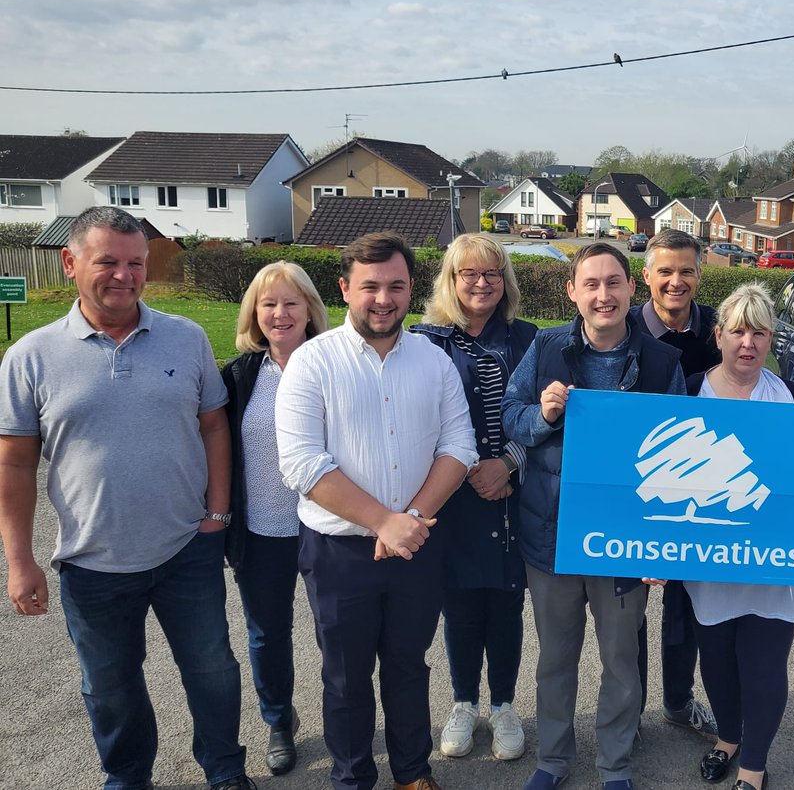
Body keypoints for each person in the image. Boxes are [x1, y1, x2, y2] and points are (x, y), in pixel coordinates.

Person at [0, 205, 252, 790]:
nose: (124, 274)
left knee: (213, 670)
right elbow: (13, 465)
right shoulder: (31, 357)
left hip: (186, 547)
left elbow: (214, 425)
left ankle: (224, 770)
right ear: (70, 262)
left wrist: (217, 513)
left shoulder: (185, 338)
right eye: (107, 261)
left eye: (135, 263)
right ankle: (128, 776)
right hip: (92, 560)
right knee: (109, 687)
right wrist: (19, 562)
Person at [275, 232, 477, 790]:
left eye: (396, 286)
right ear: (344, 289)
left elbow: (459, 448)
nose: (383, 299)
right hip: (339, 552)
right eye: (370, 287)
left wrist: (407, 520)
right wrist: (382, 521)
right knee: (346, 678)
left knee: (409, 668)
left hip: (415, 545)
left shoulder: (434, 363)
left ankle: (412, 774)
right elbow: (302, 464)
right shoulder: (311, 363)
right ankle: (352, 777)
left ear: (412, 290)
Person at [501, 242, 686, 790]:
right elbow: (511, 416)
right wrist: (544, 414)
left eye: (613, 283)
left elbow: (679, 458)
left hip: (625, 540)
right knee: (555, 659)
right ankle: (553, 761)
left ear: (632, 289)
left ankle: (614, 765)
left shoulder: (661, 362)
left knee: (620, 662)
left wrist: (661, 543)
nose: (603, 294)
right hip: (553, 535)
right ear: (572, 292)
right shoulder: (546, 347)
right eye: (591, 284)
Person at [683, 283, 794, 790]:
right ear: (719, 335)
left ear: (772, 339)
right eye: (737, 331)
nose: (747, 342)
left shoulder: (792, 397)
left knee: (765, 662)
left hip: (774, 561)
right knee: (717, 658)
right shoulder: (687, 390)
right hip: (710, 556)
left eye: (759, 332)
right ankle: (727, 737)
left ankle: (753, 763)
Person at [410, 234, 537, 763]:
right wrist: (460, 472)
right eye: (469, 274)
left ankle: (504, 705)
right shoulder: (423, 340)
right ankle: (463, 703)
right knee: (459, 606)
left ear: (503, 280)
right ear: (451, 280)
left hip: (510, 493)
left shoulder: (531, 339)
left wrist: (509, 464)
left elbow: (545, 418)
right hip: (450, 495)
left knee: (505, 605)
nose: (481, 283)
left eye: (490, 274)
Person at [221, 261, 329, 776]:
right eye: (269, 304)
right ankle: (279, 721)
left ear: (310, 309)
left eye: (291, 302)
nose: (280, 313)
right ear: (254, 314)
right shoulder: (240, 376)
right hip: (262, 532)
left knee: (337, 630)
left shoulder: (333, 365)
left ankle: (343, 716)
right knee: (267, 635)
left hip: (327, 528)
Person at [630, 229, 721, 739]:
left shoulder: (718, 329)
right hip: (643, 484)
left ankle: (679, 701)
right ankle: (634, 711)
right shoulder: (623, 331)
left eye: (686, 270)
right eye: (665, 270)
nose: (676, 281)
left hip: (705, 484)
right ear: (647, 275)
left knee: (685, 605)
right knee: (633, 609)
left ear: (700, 273)